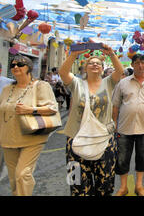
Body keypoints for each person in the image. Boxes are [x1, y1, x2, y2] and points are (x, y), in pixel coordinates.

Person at [59, 45, 123, 196]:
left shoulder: (109, 83)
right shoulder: (76, 83)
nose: (95, 64)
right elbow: (63, 72)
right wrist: (74, 54)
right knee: (76, 184)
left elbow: (119, 71)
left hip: (104, 139)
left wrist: (111, 54)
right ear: (85, 67)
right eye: (90, 63)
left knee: (105, 185)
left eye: (98, 63)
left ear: (102, 68)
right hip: (75, 139)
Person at [0, 55, 59, 195]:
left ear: (29, 68)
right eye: (12, 65)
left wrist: (31, 109)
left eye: (20, 64)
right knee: (14, 178)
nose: (15, 67)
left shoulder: (40, 86)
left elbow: (52, 108)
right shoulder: (7, 89)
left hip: (32, 136)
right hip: (8, 138)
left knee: (23, 174)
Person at [112, 54, 144, 196]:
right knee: (122, 158)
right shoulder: (123, 83)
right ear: (132, 65)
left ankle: (139, 185)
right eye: (137, 63)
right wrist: (114, 123)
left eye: (143, 62)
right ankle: (123, 187)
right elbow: (115, 105)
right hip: (124, 127)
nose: (140, 65)